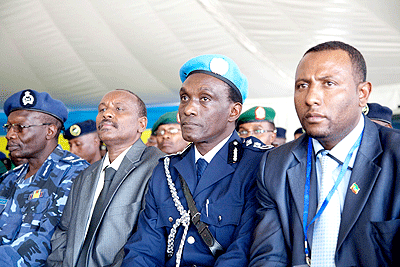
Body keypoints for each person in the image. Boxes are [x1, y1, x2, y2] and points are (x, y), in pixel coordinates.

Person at [250, 41, 400, 267]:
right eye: (302, 85)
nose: (311, 98)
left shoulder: (395, 156)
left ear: (362, 93)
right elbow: (269, 257)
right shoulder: (274, 165)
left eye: (328, 83)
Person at [122, 54, 270, 267]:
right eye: (184, 98)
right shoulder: (166, 170)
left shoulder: (258, 165)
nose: (188, 109)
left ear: (234, 111)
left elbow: (244, 250)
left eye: (205, 99)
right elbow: (144, 248)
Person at [47, 89, 165, 267]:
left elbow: (149, 241)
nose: (107, 114)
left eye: (119, 108)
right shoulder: (85, 175)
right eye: (101, 109)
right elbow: (63, 231)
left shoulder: (158, 167)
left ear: (141, 124)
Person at [0, 89, 89, 266]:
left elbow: (47, 240)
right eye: (8, 127)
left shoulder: (76, 173)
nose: (10, 135)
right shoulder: (9, 178)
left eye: (20, 127)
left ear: (50, 131)